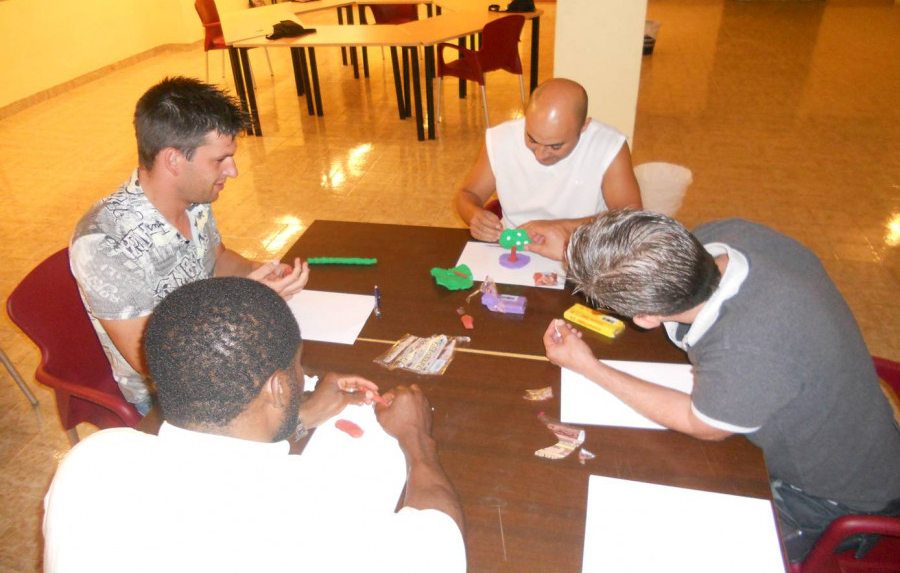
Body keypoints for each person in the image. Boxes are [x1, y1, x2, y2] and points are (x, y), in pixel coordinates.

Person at [544, 210, 900, 562]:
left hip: (838, 494)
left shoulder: (745, 349)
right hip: (858, 427)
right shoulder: (728, 234)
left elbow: (702, 425)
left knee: (661, 547)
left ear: (645, 319)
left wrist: (588, 366)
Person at [43, 277, 466, 573]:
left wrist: (299, 414)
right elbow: (443, 549)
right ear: (278, 387)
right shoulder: (308, 521)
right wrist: (415, 436)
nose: (303, 378)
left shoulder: (94, 460)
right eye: (298, 369)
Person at [69, 77, 308, 415]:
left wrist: (262, 271)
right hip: (170, 390)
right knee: (296, 414)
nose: (233, 170)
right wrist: (239, 303)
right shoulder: (105, 243)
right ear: (174, 161)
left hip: (219, 343)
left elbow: (217, 258)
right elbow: (149, 360)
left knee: (309, 373)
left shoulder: (193, 197)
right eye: (220, 160)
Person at [454, 77, 642, 260]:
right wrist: (474, 216)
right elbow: (467, 194)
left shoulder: (609, 147)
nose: (540, 155)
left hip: (585, 251)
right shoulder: (500, 139)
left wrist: (562, 228)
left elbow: (631, 219)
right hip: (517, 253)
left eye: (555, 146)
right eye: (532, 140)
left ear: (583, 126)